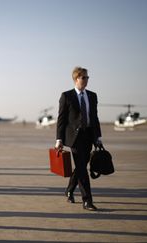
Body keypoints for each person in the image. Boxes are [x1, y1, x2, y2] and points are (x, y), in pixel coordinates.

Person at [55, 66, 102, 211]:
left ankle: (69, 189)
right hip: (74, 137)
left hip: (89, 135)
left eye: (87, 77)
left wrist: (98, 137)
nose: (87, 80)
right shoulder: (67, 96)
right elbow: (61, 120)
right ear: (76, 79)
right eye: (84, 77)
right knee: (82, 168)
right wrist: (59, 139)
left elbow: (94, 118)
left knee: (82, 166)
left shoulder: (92, 96)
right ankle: (87, 200)